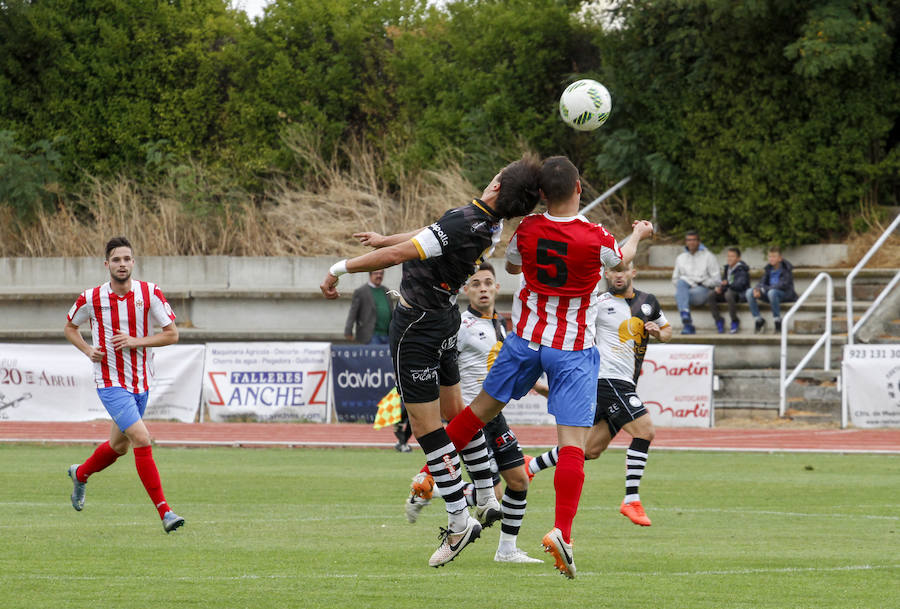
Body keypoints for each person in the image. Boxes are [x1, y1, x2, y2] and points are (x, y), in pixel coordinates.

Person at [320, 157, 542, 568]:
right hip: (444, 317)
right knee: (455, 411)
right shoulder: (486, 223)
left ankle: (459, 522)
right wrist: (387, 238)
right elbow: (429, 236)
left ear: (497, 184)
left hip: (417, 328)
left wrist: (339, 269)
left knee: (426, 426)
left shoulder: (468, 222)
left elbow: (408, 251)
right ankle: (487, 496)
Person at [442, 156, 654, 579]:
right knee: (573, 444)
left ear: (541, 194)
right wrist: (638, 234)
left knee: (477, 412)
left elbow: (513, 266)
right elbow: (620, 259)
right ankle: (563, 532)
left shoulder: (528, 228)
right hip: (573, 348)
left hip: (525, 341)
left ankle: (430, 472)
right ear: (579, 188)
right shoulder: (595, 236)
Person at [405, 263, 542, 564]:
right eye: (476, 283)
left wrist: (545, 388)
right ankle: (428, 487)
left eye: (488, 283)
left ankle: (507, 550)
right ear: (465, 290)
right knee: (489, 494)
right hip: (469, 417)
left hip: (496, 415)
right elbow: (443, 367)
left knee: (519, 481)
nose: (482, 288)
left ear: (497, 288)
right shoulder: (461, 328)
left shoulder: (502, 324)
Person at [526, 262, 672, 528]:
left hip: (626, 381)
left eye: (623, 270)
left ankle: (531, 466)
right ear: (606, 274)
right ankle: (631, 499)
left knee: (590, 450)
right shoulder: (598, 302)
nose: (618, 275)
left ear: (633, 272)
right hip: (607, 379)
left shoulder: (648, 302)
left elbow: (668, 330)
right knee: (645, 431)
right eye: (614, 271)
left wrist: (659, 333)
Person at [64, 236, 184, 533]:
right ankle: (165, 512)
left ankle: (80, 473)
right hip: (109, 381)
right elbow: (70, 327)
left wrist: (136, 342)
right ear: (107, 264)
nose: (122, 264)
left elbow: (172, 334)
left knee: (119, 447)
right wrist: (87, 350)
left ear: (133, 262)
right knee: (142, 439)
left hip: (141, 382)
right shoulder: (91, 298)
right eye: (116, 260)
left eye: (127, 259)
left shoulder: (150, 293)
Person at [671, 230, 720, 335]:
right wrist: (689, 283)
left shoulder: (709, 257)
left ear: (699, 241)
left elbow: (716, 280)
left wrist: (699, 282)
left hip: (703, 289)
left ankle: (687, 324)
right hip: (686, 289)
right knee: (681, 283)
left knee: (680, 295)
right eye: (689, 240)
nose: (691, 243)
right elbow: (675, 279)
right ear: (686, 242)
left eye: (694, 240)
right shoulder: (681, 258)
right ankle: (686, 318)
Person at [745, 246, 797, 333]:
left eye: (774, 257)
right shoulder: (769, 269)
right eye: (769, 256)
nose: (771, 259)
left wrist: (764, 289)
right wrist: (757, 289)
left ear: (780, 258)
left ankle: (777, 320)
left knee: (772, 292)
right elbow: (761, 282)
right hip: (770, 293)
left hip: (785, 294)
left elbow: (782, 285)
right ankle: (759, 320)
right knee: (749, 292)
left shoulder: (786, 269)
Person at [706, 247, 750, 334]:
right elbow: (725, 283)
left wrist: (726, 285)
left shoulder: (742, 269)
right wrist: (720, 288)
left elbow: (740, 285)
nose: (729, 258)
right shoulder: (727, 269)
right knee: (711, 294)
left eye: (732, 256)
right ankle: (718, 320)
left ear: (738, 258)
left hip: (739, 294)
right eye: (728, 256)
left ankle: (734, 320)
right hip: (728, 292)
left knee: (728, 294)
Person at [344, 270, 394, 344]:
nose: (379, 276)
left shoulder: (386, 291)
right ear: (370, 275)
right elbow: (353, 313)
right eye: (376, 273)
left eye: (381, 273)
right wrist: (348, 331)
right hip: (371, 335)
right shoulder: (361, 291)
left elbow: (391, 311)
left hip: (388, 335)